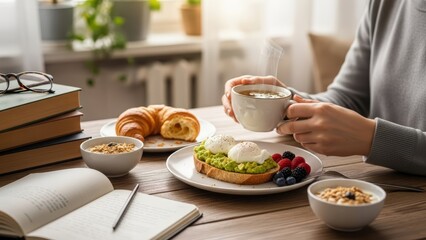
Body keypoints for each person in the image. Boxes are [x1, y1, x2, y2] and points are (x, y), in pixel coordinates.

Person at [222, 0, 426, 176]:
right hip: (377, 184)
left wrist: (373, 139)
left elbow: (362, 129)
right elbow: (348, 98)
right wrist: (284, 102)